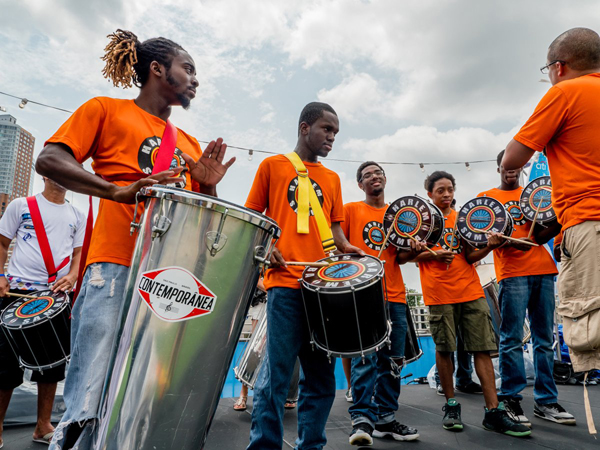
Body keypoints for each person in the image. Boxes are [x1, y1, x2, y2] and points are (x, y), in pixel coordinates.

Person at [35, 29, 234, 449]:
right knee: (90, 394)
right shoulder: (105, 110)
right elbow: (50, 159)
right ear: (158, 69)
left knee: (143, 398)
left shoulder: (190, 145)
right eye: (189, 69)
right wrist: (115, 190)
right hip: (115, 264)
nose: (196, 80)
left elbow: (201, 223)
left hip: (168, 279)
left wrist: (210, 189)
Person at [244, 102, 363, 449]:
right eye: (327, 130)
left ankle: (311, 445)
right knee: (275, 378)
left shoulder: (333, 178)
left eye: (335, 133)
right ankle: (264, 445)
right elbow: (254, 220)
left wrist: (350, 250)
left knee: (322, 379)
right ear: (304, 127)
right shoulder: (272, 166)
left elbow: (336, 234)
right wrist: (266, 247)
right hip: (285, 287)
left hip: (324, 291)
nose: (332, 138)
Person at [503, 27, 600, 375]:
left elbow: (511, 159)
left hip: (590, 222)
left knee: (593, 332)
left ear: (559, 67)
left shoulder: (566, 92)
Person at [412, 171, 530, 437]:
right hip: (439, 295)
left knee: (483, 349)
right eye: (440, 190)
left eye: (450, 189)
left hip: (471, 291)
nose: (446, 194)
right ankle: (451, 406)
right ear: (429, 194)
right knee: (444, 350)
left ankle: (494, 411)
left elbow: (469, 255)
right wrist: (429, 254)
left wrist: (490, 247)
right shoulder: (422, 223)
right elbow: (406, 256)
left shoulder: (463, 219)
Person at [478, 150, 575, 426]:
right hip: (512, 274)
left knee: (544, 340)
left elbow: (542, 233)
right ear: (499, 167)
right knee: (511, 340)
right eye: (507, 165)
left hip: (544, 271)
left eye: (516, 165)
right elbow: (481, 233)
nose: (511, 169)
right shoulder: (487, 199)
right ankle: (510, 399)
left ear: (521, 168)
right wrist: (501, 241)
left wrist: (558, 217)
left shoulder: (537, 193)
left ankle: (546, 402)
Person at [341, 161, 422, 445]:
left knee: (393, 362)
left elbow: (398, 258)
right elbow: (339, 246)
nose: (373, 177)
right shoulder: (351, 210)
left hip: (396, 295)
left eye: (378, 173)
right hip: (363, 295)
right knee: (365, 359)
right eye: (367, 175)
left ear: (385, 179)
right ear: (360, 185)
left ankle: (386, 420)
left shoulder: (398, 215)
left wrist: (412, 251)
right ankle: (361, 420)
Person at [0, 177, 85, 447]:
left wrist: (72, 276)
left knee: (52, 363)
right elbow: (2, 243)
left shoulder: (77, 215)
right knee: (5, 364)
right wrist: (0, 274)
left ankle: (43, 426)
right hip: (17, 294)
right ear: (45, 173)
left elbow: (78, 255)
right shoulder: (21, 205)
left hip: (55, 297)